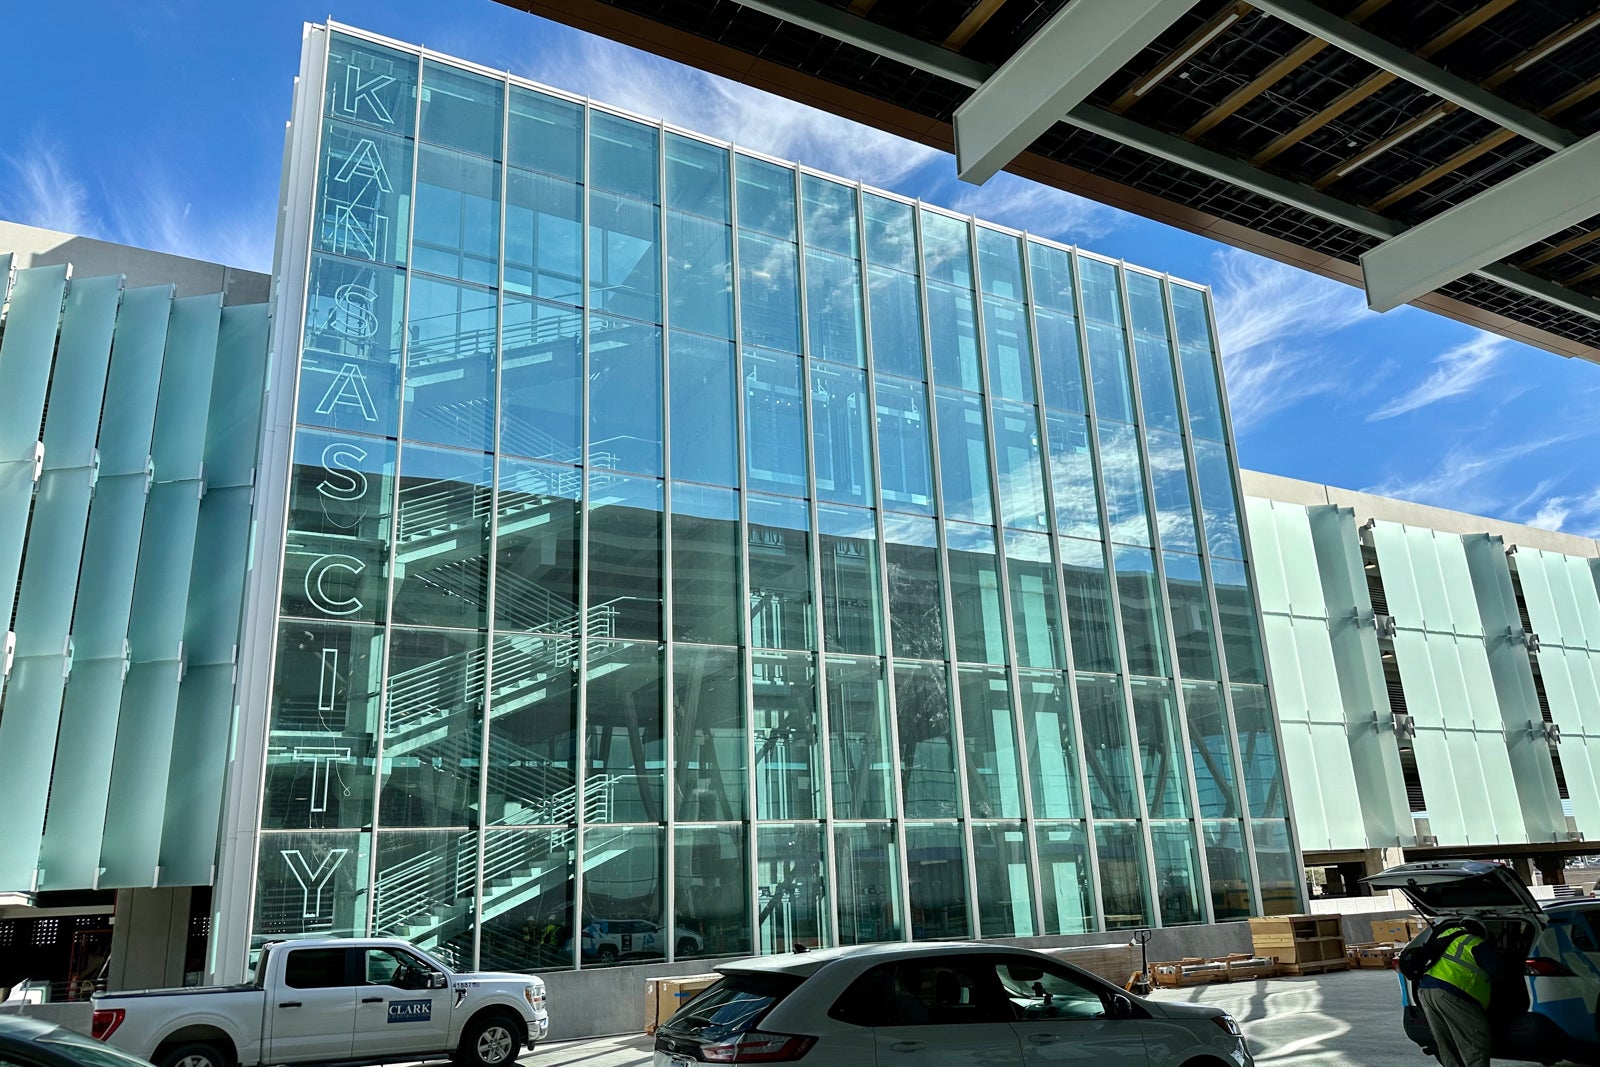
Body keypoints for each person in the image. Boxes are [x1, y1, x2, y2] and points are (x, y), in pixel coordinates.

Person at [1417, 918, 1499, 1067]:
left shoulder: (1445, 934)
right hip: (1451, 993)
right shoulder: (1476, 943)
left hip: (1425, 991)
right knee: (1474, 1040)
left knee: (1446, 1043)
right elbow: (1497, 970)